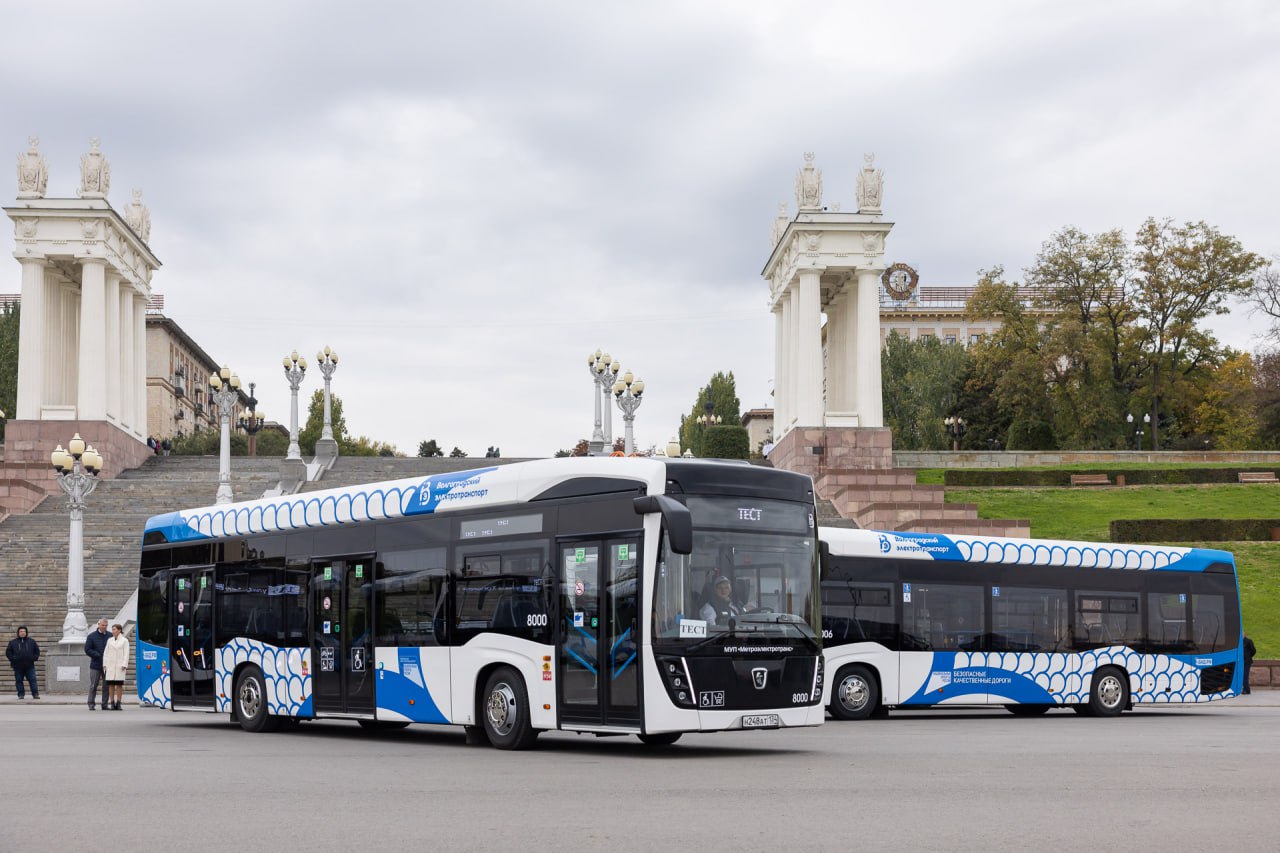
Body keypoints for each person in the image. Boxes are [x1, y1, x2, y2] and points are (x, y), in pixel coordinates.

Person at [6, 626, 40, 699]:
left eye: (24, 631)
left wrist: (34, 658)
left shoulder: (31, 641)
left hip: (29, 665)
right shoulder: (13, 642)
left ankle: (35, 694)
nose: (22, 633)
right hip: (17, 666)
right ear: (18, 633)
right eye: (21, 631)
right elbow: (8, 652)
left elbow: (37, 651)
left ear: (26, 632)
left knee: (33, 680)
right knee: (19, 681)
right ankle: (21, 694)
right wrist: (13, 659)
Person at [84, 618, 110, 710]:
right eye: (103, 625)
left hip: (107, 665)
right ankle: (91, 704)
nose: (104, 627)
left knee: (106, 686)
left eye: (106, 625)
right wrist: (97, 655)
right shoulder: (91, 636)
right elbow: (87, 649)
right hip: (95, 665)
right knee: (93, 685)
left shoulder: (110, 636)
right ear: (98, 625)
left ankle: (104, 704)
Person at [102, 624, 129, 710]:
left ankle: (119, 703)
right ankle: (112, 703)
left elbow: (126, 653)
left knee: (119, 685)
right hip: (110, 666)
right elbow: (106, 653)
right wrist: (105, 664)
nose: (112, 631)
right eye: (112, 629)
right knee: (111, 685)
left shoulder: (124, 640)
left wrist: (124, 664)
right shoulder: (109, 640)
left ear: (119, 630)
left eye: (114, 629)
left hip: (119, 666)